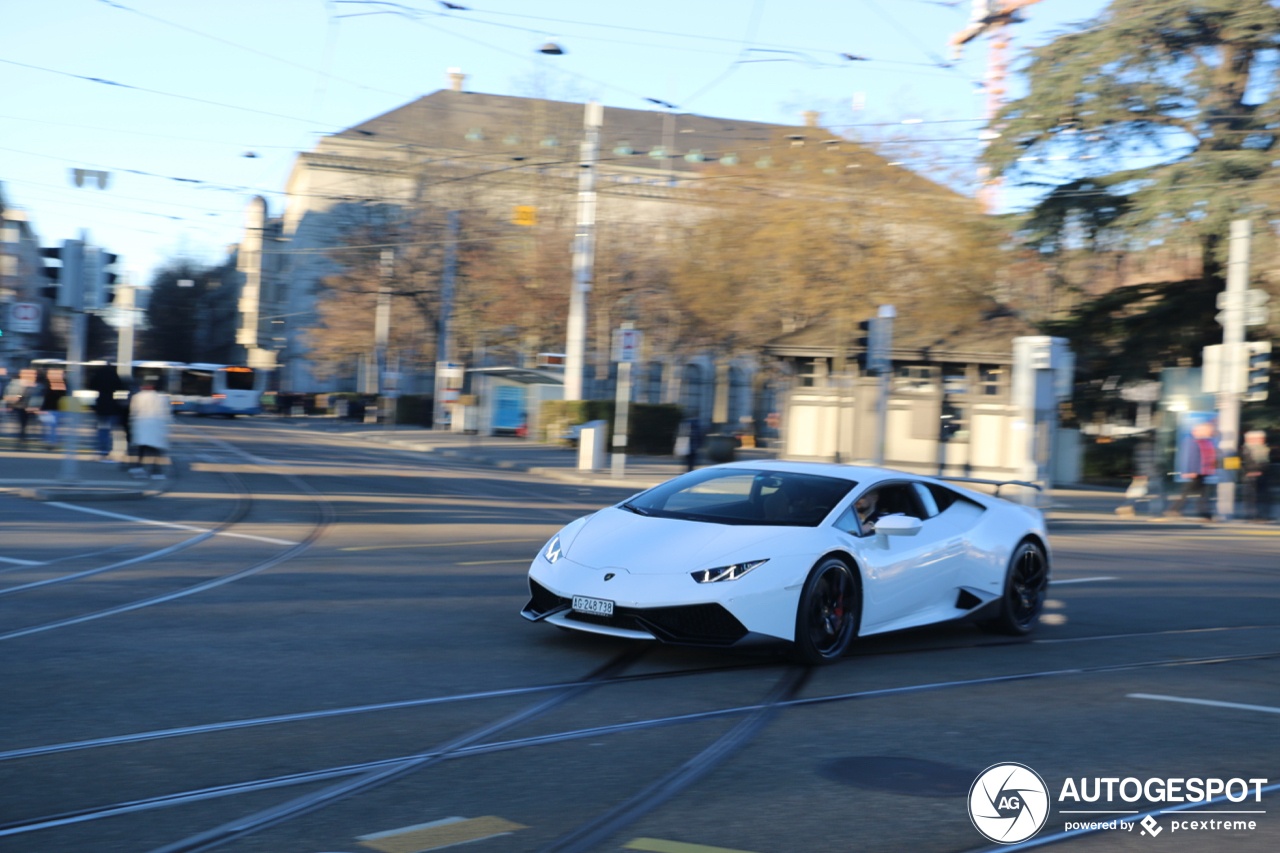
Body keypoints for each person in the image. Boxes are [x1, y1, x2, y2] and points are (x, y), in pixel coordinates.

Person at [1168, 421, 1217, 519]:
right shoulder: (1192, 441)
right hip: (1195, 472)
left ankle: (1203, 513)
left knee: (1197, 494)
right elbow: (1190, 457)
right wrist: (1189, 471)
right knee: (1191, 493)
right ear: (1201, 431)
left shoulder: (1204, 441)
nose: (1210, 432)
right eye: (1208, 430)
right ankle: (1174, 509)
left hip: (1202, 472)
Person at [128, 376, 171, 480]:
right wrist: (166, 430)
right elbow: (166, 414)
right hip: (156, 426)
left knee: (141, 448)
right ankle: (156, 471)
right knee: (156, 450)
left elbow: (133, 412)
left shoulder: (137, 396)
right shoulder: (162, 398)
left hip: (142, 424)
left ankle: (139, 468)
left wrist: (132, 425)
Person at [90, 365, 127, 462]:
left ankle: (101, 451)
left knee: (102, 431)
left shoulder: (98, 377)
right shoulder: (114, 377)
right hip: (112, 408)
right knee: (109, 431)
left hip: (101, 409)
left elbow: (91, 385)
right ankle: (106, 452)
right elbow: (121, 386)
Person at [1243, 430, 1273, 522]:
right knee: (1252, 497)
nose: (1262, 440)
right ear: (1251, 439)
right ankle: (1252, 515)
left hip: (1263, 476)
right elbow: (1243, 463)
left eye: (1263, 438)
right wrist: (1248, 472)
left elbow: (1266, 463)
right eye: (1260, 438)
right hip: (1251, 477)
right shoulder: (1246, 449)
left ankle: (1263, 515)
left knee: (1263, 496)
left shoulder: (1265, 449)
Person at [16, 370, 47, 443]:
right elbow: (18, 394)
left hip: (34, 407)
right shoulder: (21, 384)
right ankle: (22, 436)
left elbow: (42, 396)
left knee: (35, 422)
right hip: (22, 407)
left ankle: (34, 436)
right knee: (23, 423)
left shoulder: (39, 386)